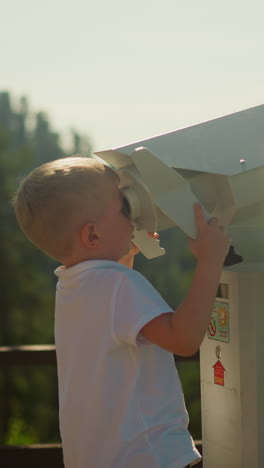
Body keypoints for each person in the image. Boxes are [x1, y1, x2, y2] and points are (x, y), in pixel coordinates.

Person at [13, 156, 231, 468]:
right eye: (125, 208)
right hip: (154, 457)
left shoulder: (72, 287)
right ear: (92, 236)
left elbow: (118, 321)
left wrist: (126, 252)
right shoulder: (118, 285)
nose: (135, 215)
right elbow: (183, 339)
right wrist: (210, 261)